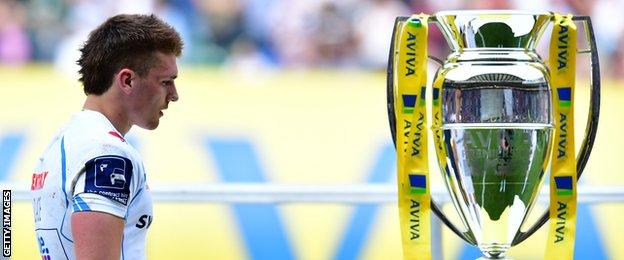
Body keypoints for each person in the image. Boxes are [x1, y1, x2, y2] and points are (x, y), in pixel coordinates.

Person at [30, 14, 182, 259]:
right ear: (127, 80)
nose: (174, 95)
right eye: (166, 82)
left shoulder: (64, 139)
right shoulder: (108, 153)